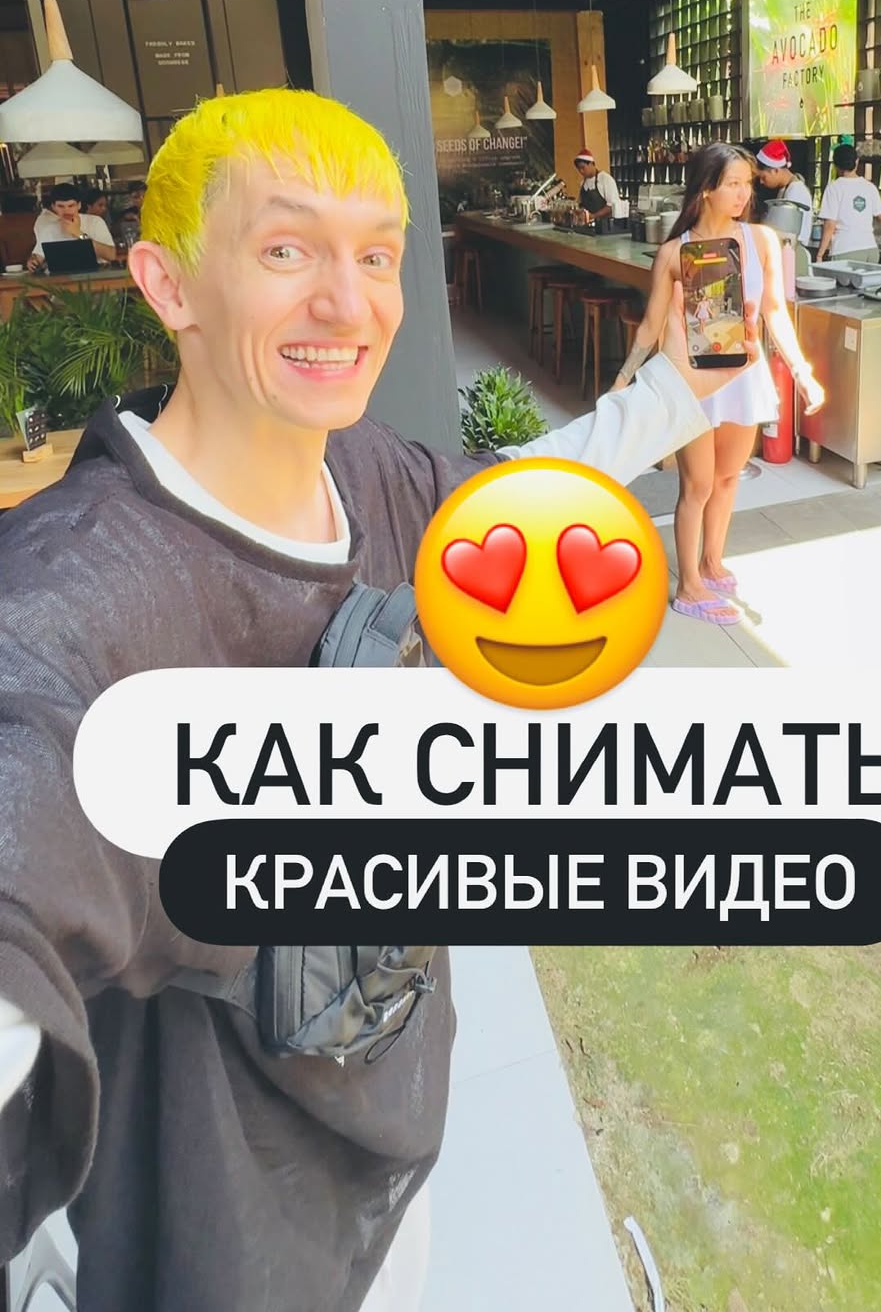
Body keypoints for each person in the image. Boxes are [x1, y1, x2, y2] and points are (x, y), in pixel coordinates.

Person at [0, 87, 761, 1312]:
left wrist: (677, 388)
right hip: (237, 1241)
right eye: (286, 249)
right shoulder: (79, 594)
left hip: (391, 1126)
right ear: (169, 282)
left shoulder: (365, 469)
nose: (348, 305)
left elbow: (508, 498)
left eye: (376, 255)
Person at [613, 142, 824, 627]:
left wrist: (802, 371)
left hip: (743, 376)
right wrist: (624, 378)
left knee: (729, 478)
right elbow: (650, 326)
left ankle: (711, 561)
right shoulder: (674, 253)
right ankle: (688, 585)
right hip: (693, 381)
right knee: (698, 484)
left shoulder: (763, 241)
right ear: (706, 189)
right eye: (733, 184)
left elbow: (774, 312)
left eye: (747, 183)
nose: (743, 194)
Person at [816, 144, 881, 263]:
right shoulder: (870, 187)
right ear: (856, 161)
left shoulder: (834, 188)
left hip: (845, 249)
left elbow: (830, 225)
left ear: (835, 165)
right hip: (871, 249)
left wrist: (820, 254)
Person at [28, 182, 118, 269]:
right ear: (53, 207)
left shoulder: (95, 222)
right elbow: (37, 256)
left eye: (71, 206)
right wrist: (33, 261)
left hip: (97, 273)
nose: (66, 211)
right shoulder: (50, 229)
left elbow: (111, 255)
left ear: (79, 205)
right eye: (61, 206)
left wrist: (79, 234)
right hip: (63, 275)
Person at [754, 139, 814, 248]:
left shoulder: (795, 191)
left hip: (794, 248)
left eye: (763, 177)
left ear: (775, 170)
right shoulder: (786, 188)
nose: (761, 182)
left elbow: (788, 232)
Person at [572, 149, 620, 222]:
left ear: (591, 164)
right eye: (579, 169)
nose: (581, 171)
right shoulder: (583, 183)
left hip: (605, 224)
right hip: (588, 224)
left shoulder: (605, 179)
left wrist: (593, 216)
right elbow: (581, 204)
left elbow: (612, 206)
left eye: (583, 167)